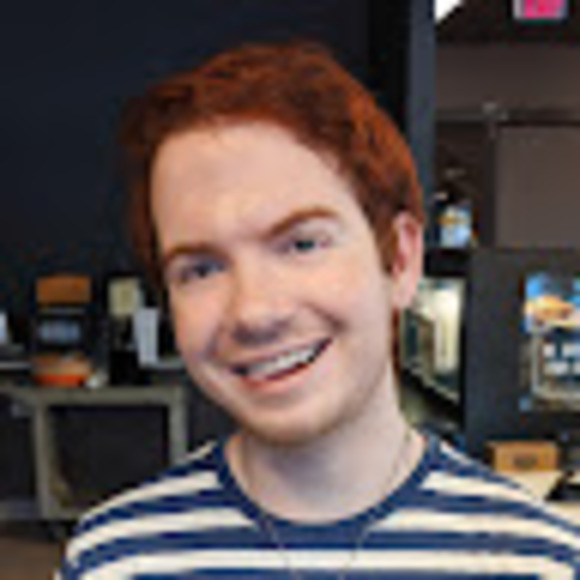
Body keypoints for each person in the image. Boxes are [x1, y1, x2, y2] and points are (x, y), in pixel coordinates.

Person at [59, 40, 580, 579]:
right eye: (202, 269)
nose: (254, 312)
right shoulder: (112, 561)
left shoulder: (542, 562)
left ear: (400, 259)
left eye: (302, 244)